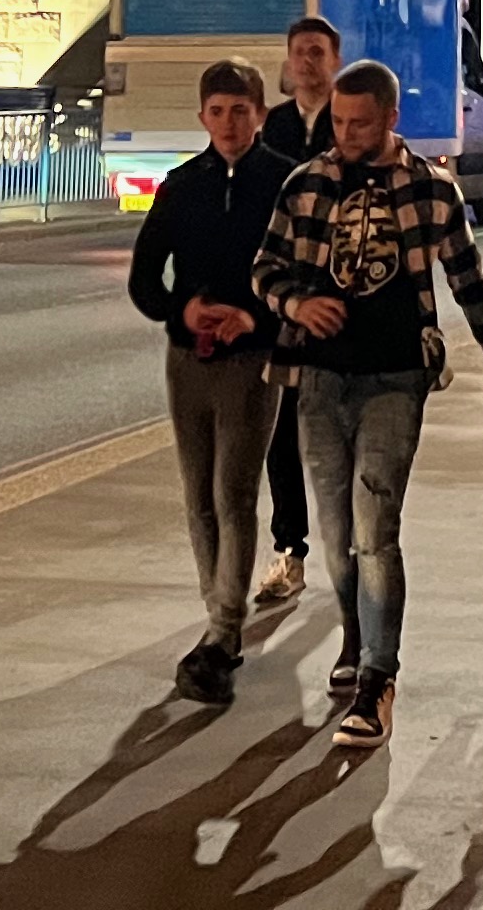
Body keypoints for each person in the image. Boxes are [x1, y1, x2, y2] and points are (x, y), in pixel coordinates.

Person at [253, 56, 483, 749]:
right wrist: (297, 303)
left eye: (360, 123)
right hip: (316, 377)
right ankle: (354, 634)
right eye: (339, 122)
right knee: (336, 537)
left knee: (375, 529)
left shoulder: (432, 190)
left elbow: (468, 278)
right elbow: (266, 270)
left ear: (391, 120)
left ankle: (377, 676)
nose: (346, 133)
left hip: (396, 377)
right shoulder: (304, 185)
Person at [127, 58, 293, 703]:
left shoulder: (283, 184)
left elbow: (299, 277)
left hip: (253, 362)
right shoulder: (179, 187)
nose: (228, 123)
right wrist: (184, 310)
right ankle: (216, 614)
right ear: (202, 118)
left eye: (241, 110)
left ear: (259, 114)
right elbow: (145, 279)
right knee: (197, 495)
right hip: (187, 359)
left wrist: (251, 316)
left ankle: (225, 630)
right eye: (217, 112)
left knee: (234, 492)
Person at [251, 13, 342, 608]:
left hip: (338, 307)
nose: (306, 62)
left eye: (317, 52)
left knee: (336, 440)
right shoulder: (274, 128)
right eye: (298, 53)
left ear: (334, 60)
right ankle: (292, 551)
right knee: (280, 434)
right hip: (283, 308)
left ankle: (348, 555)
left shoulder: (350, 124)